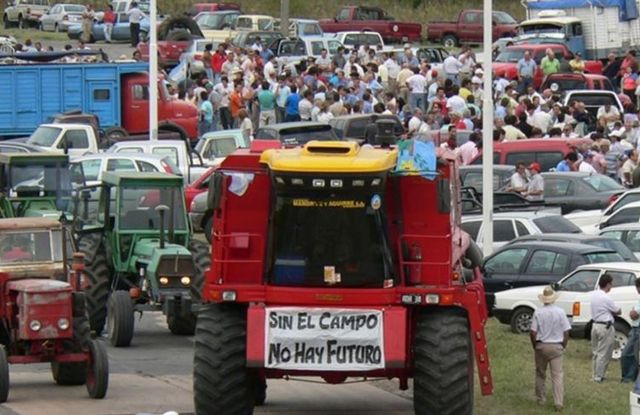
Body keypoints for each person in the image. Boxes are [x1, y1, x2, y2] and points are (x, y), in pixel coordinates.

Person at [530, 286, 571, 411]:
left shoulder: (538, 312)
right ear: (553, 299)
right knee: (557, 375)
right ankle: (558, 402)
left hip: (541, 345)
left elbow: (533, 332)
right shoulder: (560, 312)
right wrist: (563, 345)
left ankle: (541, 398)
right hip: (556, 346)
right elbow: (566, 331)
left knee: (540, 373)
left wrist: (535, 346)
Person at [591, 273, 621, 383]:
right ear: (608, 284)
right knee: (604, 352)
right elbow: (617, 311)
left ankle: (594, 374)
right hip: (605, 326)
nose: (611, 286)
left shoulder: (594, 295)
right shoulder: (606, 298)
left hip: (595, 324)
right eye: (611, 284)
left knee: (596, 351)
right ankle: (599, 376)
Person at [621, 278, 640, 383]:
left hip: (637, 329)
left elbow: (634, 315)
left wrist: (632, 311)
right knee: (633, 353)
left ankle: (628, 377)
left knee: (628, 354)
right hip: (635, 328)